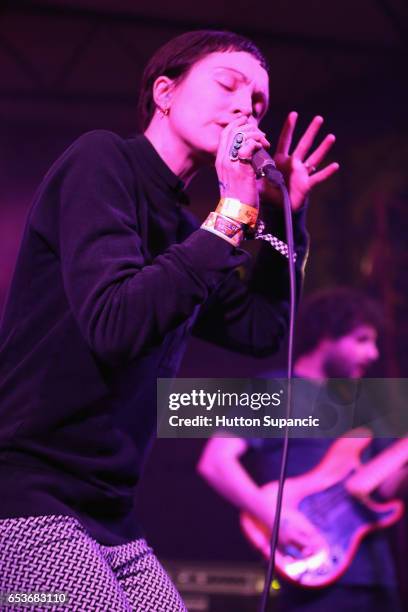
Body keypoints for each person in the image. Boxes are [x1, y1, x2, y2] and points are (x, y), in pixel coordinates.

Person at [0, 30, 338, 610]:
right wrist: (232, 212)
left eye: (257, 102)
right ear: (165, 92)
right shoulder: (100, 161)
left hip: (112, 514)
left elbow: (262, 330)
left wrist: (284, 219)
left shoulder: (187, 231)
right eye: (228, 85)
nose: (245, 108)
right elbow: (115, 324)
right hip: (27, 500)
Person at [198, 288, 408, 611]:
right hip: (309, 569)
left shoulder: (368, 405)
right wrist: (274, 516)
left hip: (378, 576)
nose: (374, 354)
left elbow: (383, 486)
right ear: (327, 336)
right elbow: (216, 462)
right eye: (362, 340)